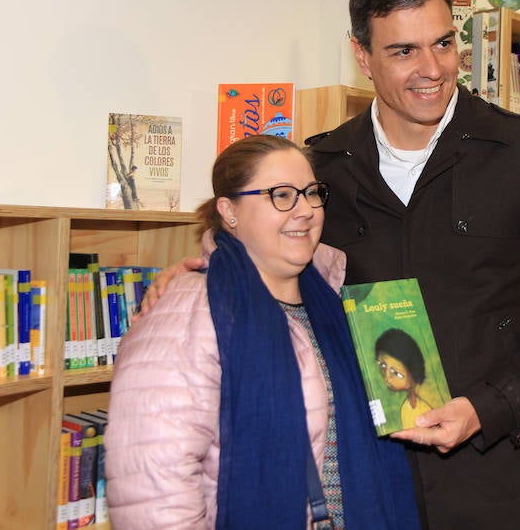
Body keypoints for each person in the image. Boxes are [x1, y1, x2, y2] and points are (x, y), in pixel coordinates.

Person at [145, 0, 520, 529]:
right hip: (368, 476)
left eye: (442, 43)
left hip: (495, 471)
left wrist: (487, 408)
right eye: (403, 51)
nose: (432, 69)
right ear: (362, 57)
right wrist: (199, 271)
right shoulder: (325, 165)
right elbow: (269, 248)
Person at [105, 135, 418, 529]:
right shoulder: (190, 310)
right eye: (281, 195)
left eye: (311, 193)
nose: (304, 210)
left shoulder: (337, 300)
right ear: (229, 211)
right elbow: (153, 484)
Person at [374, 328, 434, 428]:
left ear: (413, 372)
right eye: (383, 366)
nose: (387, 378)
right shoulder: (406, 408)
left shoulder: (425, 409)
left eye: (396, 373)